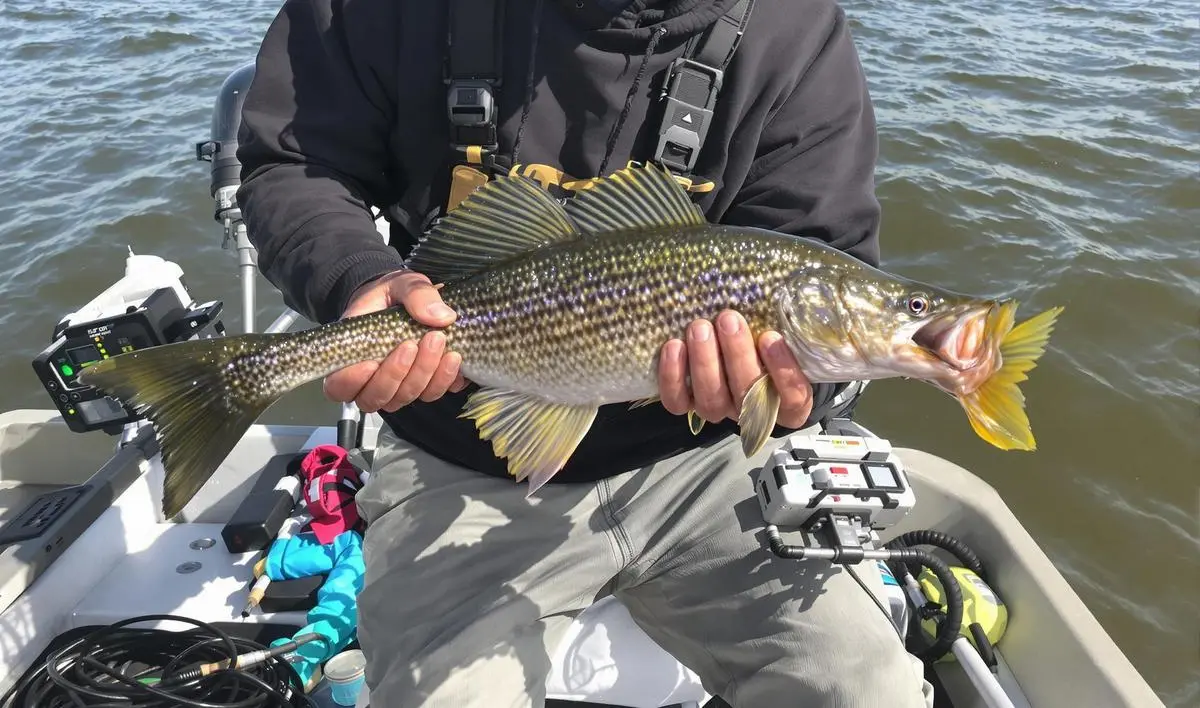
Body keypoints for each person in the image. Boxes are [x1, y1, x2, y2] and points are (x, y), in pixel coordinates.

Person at [236, 0, 933, 705]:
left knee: (866, 688)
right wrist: (359, 276)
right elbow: (294, 160)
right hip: (464, 444)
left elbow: (824, 246)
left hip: (707, 464)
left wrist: (796, 392)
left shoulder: (797, 28)